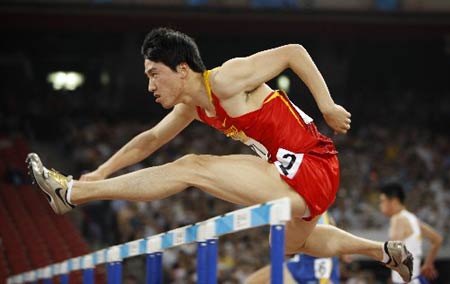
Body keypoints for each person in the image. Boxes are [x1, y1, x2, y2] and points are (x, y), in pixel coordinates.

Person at [26, 27, 413, 282]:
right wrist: (102, 169)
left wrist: (327, 106)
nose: (149, 85)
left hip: (309, 164)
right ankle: (381, 251)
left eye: (153, 74)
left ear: (181, 69)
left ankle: (71, 194)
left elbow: (294, 52)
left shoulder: (226, 79)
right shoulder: (193, 108)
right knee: (297, 246)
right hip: (307, 177)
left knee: (193, 166)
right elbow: (149, 141)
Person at [245, 211, 341, 284]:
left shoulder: (322, 216)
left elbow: (332, 233)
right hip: (301, 264)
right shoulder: (299, 208)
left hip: (318, 269)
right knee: (251, 281)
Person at [379, 183, 443, 284]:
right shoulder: (412, 219)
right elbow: (437, 240)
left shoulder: (397, 219)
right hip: (415, 279)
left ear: (394, 201)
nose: (380, 205)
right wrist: (428, 264)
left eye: (382, 201)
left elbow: (393, 254)